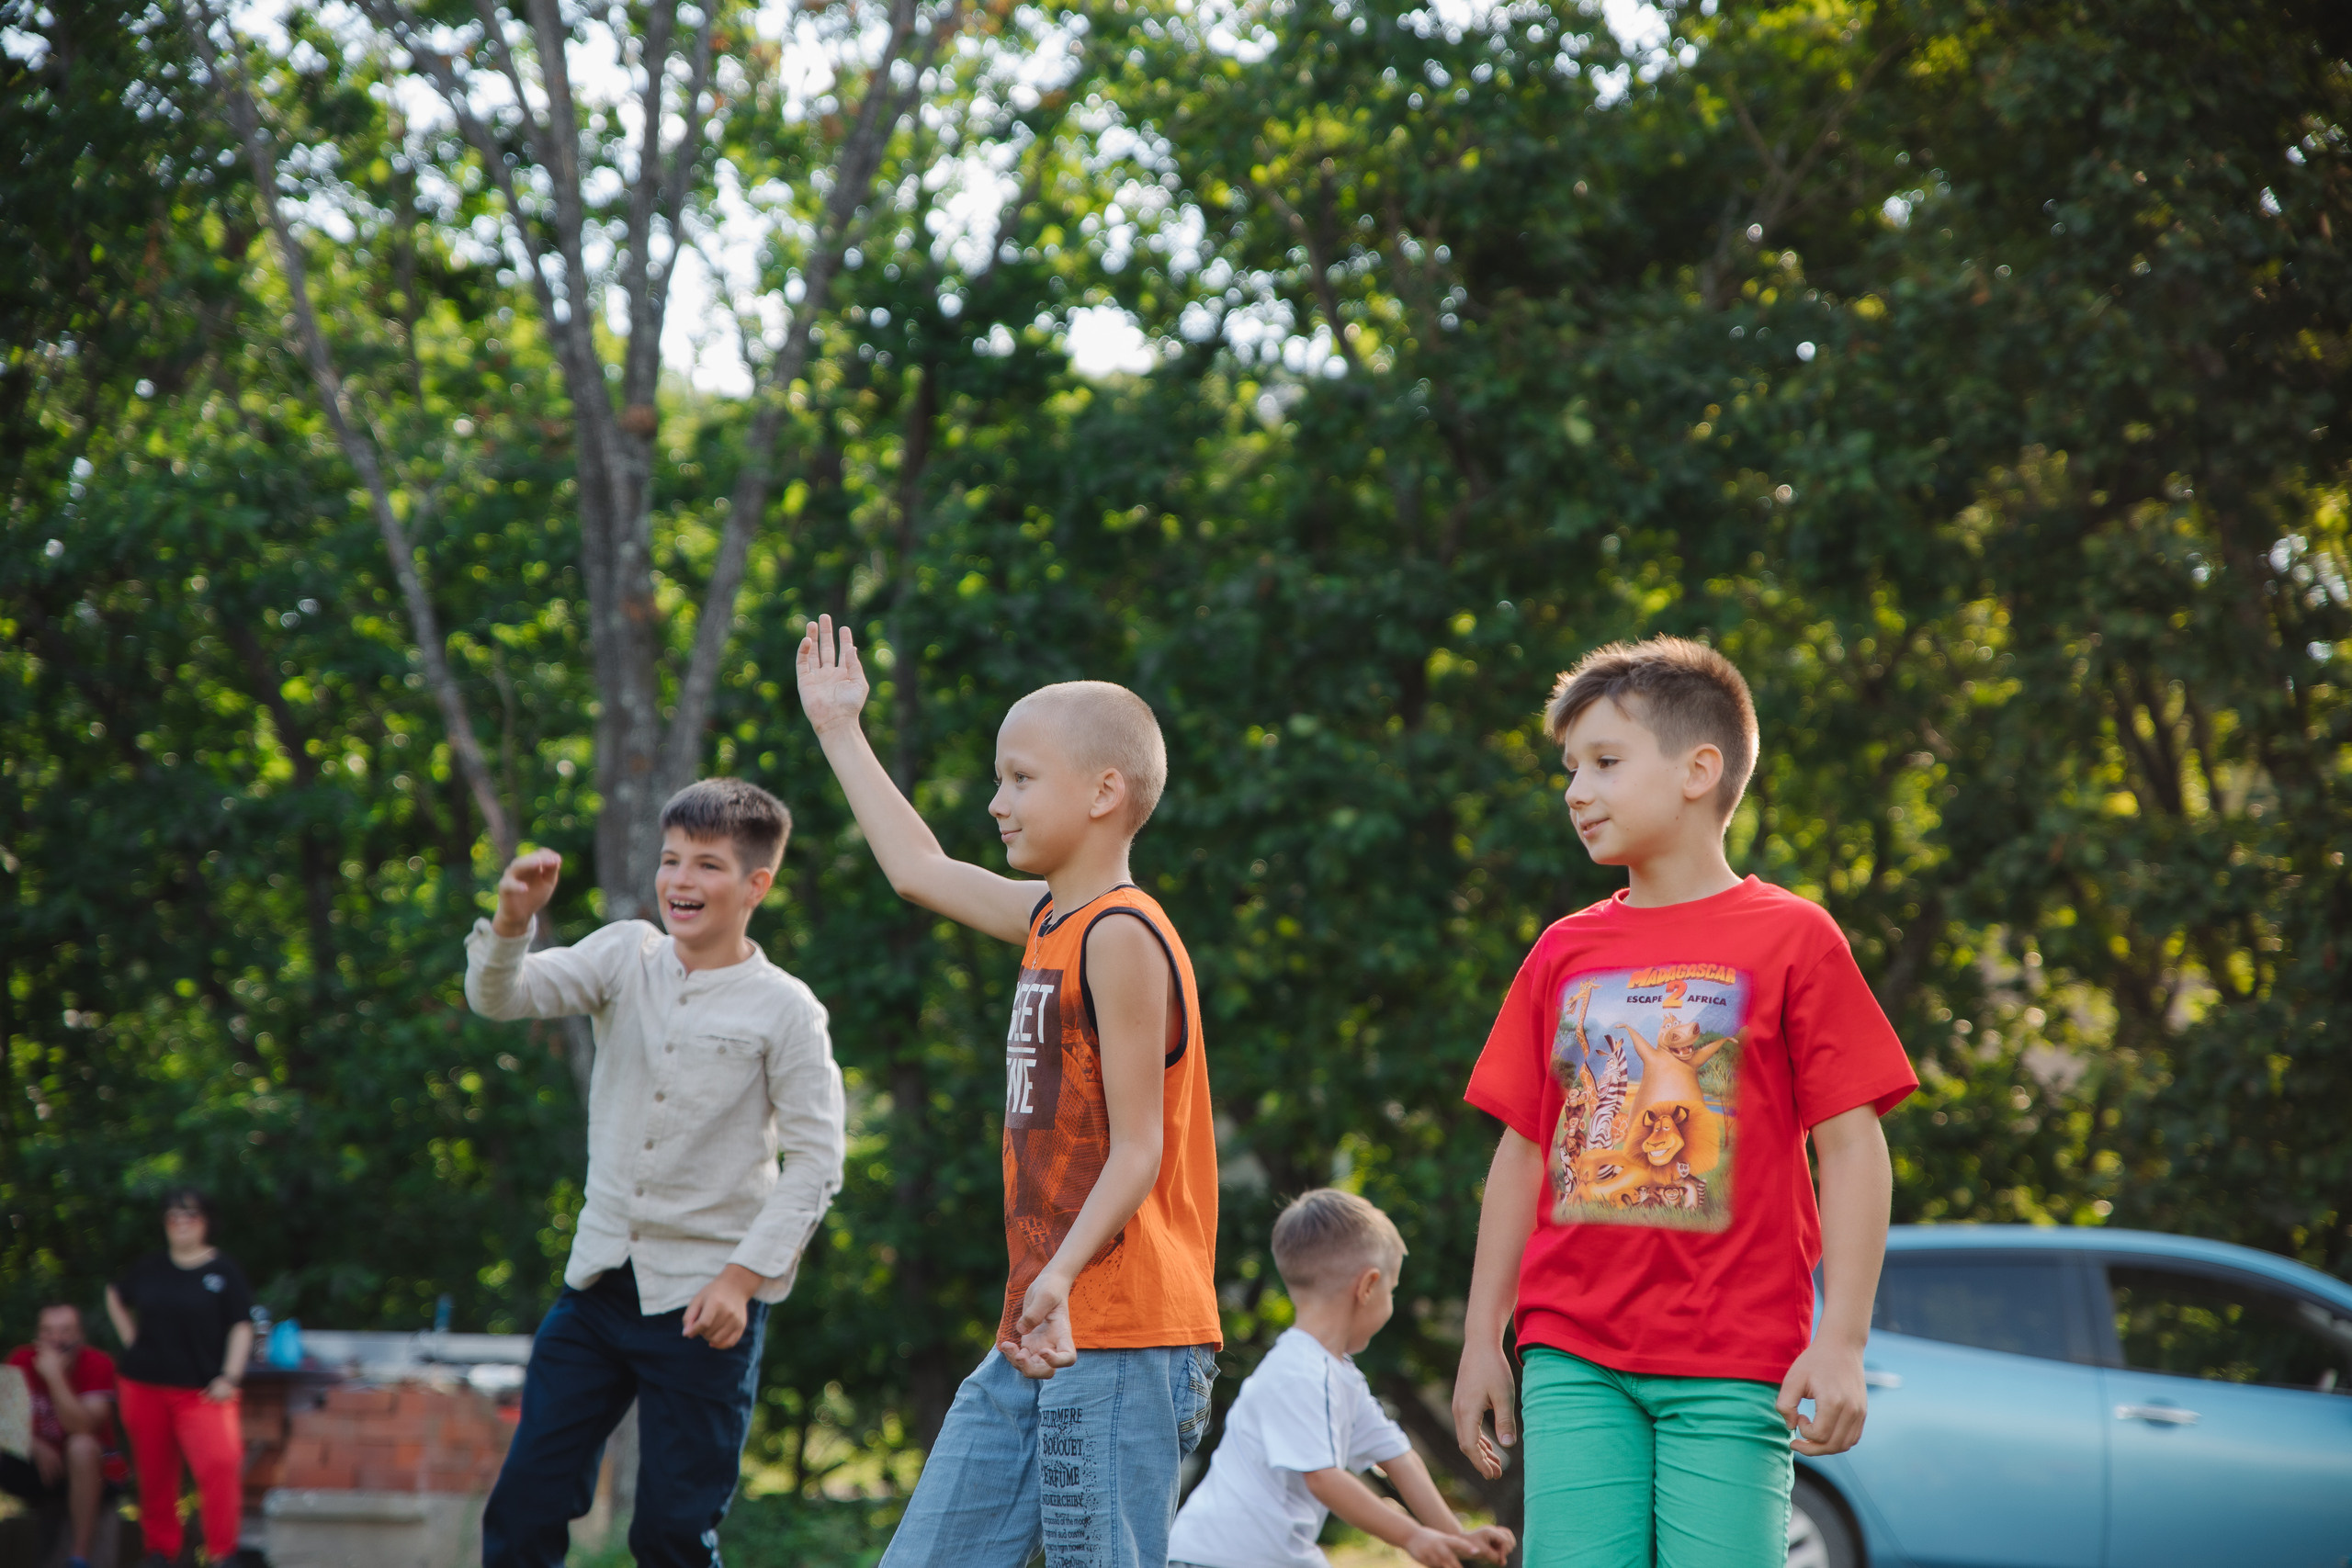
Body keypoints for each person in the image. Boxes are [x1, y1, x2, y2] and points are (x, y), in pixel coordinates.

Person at [1451, 637, 1918, 1568]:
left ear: (1700, 770)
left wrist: (1842, 1340)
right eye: (1570, 769)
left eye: (1605, 763)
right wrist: (1480, 1341)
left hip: (1736, 1357)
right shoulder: (1561, 951)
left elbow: (1853, 1148)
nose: (1576, 790)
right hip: (1572, 1351)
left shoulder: (1795, 938)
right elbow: (1519, 1152)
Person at [797, 615, 1221, 1568]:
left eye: (1021, 779)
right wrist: (838, 729)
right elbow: (917, 871)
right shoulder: (1050, 920)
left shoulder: (1119, 934)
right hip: (1041, 1323)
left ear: (1105, 793)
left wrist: (1061, 1276)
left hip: (1119, 1332)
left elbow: (1139, 1149)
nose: (997, 801)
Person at [464, 778, 846, 1568]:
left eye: (707, 865)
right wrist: (511, 922)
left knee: (672, 1532)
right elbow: (501, 997)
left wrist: (741, 1280)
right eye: (671, 860)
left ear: (755, 885)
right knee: (527, 1500)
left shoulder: (787, 1009)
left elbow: (816, 1163)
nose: (680, 880)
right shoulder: (621, 955)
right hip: (598, 1285)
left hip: (706, 1303)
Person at [1168, 1190, 1515, 1568]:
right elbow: (1323, 1479)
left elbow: (1401, 1460)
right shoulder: (1297, 1372)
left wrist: (1458, 1537)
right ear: (1367, 1287)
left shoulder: (1340, 1377)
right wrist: (1411, 1535)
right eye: (1391, 1291)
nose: (1391, 1302)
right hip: (1211, 1560)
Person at [106, 1187, 259, 1568]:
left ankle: (223, 1553)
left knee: (220, 1464)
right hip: (144, 1386)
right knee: (155, 1474)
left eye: (189, 1215)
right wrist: (133, 1341)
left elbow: (242, 1325)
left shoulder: (223, 1271)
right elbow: (115, 1295)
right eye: (173, 1216)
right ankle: (160, 1552)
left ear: (206, 1222)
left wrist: (230, 1376)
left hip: (204, 1391)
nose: (180, 1223)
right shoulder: (150, 1267)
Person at [2, 1303, 128, 1568]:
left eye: (65, 1331)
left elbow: (82, 1427)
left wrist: (55, 1377)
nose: (56, 1340)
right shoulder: (19, 1359)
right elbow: (6, 1425)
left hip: (94, 1470)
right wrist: (34, 1445)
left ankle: (78, 1558)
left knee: (81, 1446)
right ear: (37, 1335)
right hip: (40, 1466)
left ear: (80, 1336)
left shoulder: (99, 1364)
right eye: (48, 1332)